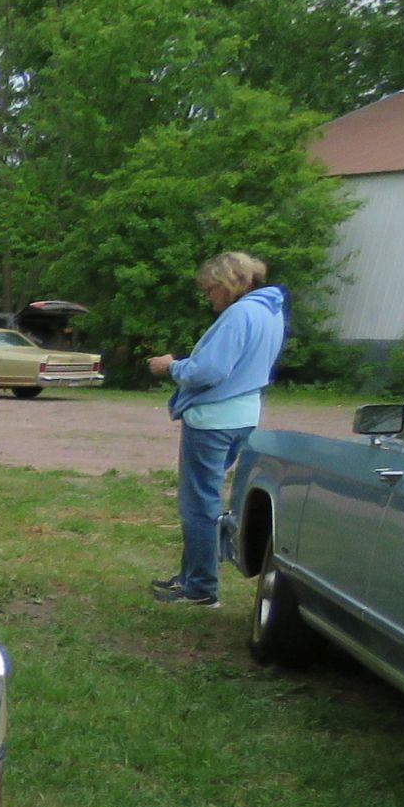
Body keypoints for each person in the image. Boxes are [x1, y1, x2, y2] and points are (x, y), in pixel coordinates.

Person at [146, 252, 287, 607]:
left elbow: (209, 370)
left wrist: (171, 366)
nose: (208, 297)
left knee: (198, 504)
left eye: (210, 289)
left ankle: (201, 588)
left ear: (229, 284)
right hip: (243, 416)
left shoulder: (239, 314)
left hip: (213, 421)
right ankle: (193, 578)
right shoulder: (270, 311)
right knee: (207, 500)